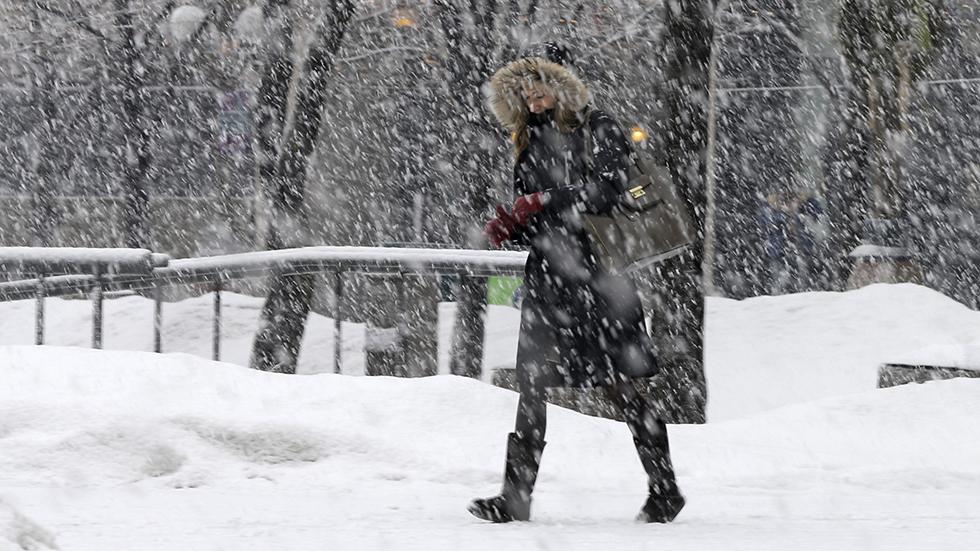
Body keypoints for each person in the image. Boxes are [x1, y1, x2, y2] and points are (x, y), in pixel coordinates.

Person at [470, 43, 685, 524]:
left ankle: (665, 488)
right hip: (548, 279)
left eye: (539, 84)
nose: (530, 95)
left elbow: (611, 189)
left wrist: (544, 200)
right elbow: (537, 213)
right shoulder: (527, 142)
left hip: (598, 277)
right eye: (523, 88)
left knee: (622, 387)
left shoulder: (599, 127)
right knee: (531, 383)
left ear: (562, 84)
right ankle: (515, 497)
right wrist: (512, 224)